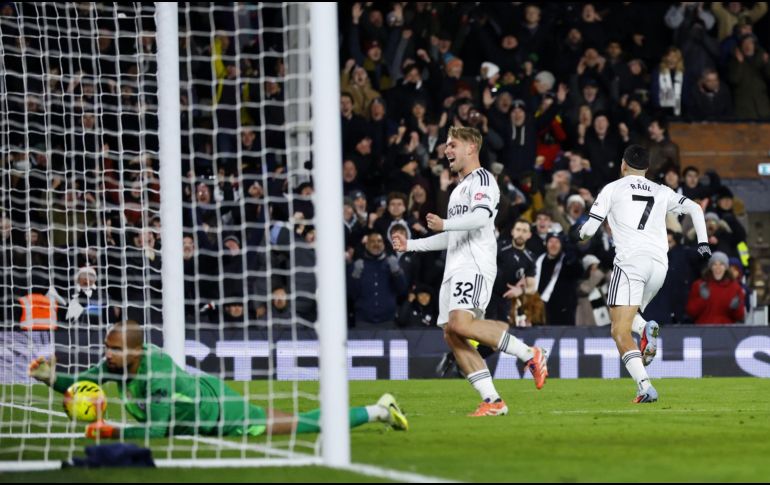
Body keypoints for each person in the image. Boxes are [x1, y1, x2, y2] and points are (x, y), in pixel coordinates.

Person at [392, 126, 548, 417]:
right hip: (454, 267)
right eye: (445, 146)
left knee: (461, 325)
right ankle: (492, 400)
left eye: (452, 145)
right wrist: (411, 245)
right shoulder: (457, 190)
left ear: (471, 148)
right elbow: (450, 235)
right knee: (452, 333)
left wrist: (445, 224)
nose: (446, 150)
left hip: (474, 264)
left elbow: (479, 218)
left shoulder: (483, 179)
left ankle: (530, 354)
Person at [28, 320, 408, 438]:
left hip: (221, 413)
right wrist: (50, 378)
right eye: (107, 347)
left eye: (114, 348)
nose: (107, 354)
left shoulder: (155, 375)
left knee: (303, 425)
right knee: (297, 421)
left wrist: (108, 431)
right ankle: (376, 409)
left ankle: (377, 409)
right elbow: (80, 381)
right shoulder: (114, 366)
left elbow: (158, 431)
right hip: (203, 397)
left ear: (136, 352)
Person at [579, 144, 711, 403]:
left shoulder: (613, 188)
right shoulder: (662, 190)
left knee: (618, 330)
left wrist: (580, 235)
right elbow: (695, 208)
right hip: (660, 266)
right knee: (625, 314)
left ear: (623, 165)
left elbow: (589, 229)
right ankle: (646, 328)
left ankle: (644, 386)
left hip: (631, 263)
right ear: (647, 169)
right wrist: (703, 242)